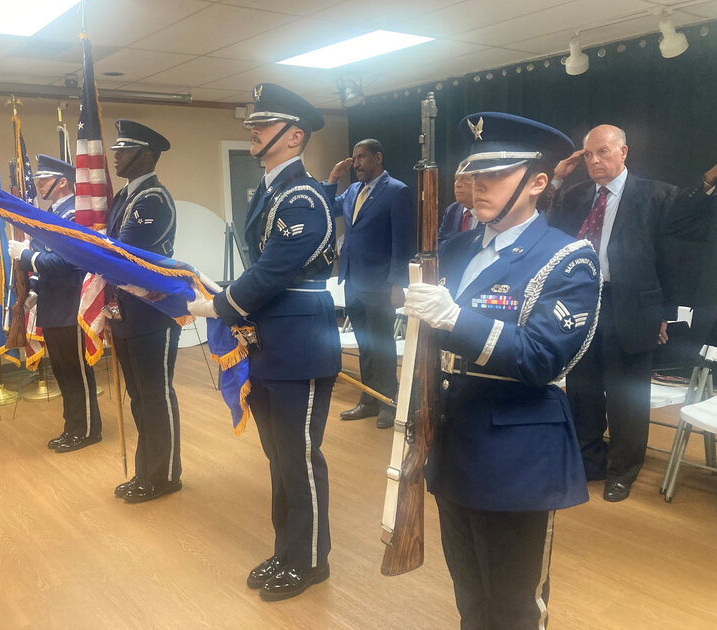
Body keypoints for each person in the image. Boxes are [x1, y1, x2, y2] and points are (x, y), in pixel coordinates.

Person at [403, 112, 600, 630]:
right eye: (473, 174)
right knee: (470, 591)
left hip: (518, 453)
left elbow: (542, 357)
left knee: (513, 602)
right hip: (453, 439)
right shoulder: (455, 248)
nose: (476, 185)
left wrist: (455, 318)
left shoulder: (567, 258)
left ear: (537, 182)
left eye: (496, 174)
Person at [188, 84, 340, 602]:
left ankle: (311, 560)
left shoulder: (304, 196)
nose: (252, 131)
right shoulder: (272, 191)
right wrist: (224, 292)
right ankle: (287, 550)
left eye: (264, 125)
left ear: (294, 136)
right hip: (272, 342)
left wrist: (221, 304)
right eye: (253, 124)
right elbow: (261, 265)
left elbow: (275, 269)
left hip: (301, 343)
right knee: (278, 456)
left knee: (299, 456)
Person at [547, 124, 715, 502]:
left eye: (603, 152)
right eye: (588, 155)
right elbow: (549, 223)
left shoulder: (654, 194)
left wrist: (709, 179)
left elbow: (690, 215)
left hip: (632, 307)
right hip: (582, 304)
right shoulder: (575, 196)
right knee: (583, 390)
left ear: (623, 152)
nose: (594, 161)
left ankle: (623, 470)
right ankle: (590, 461)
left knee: (627, 396)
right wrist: (556, 180)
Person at [106, 119, 182, 504]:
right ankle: (145, 470)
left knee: (155, 395)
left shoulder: (153, 199)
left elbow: (121, 252)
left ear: (147, 155)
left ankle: (165, 475)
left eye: (125, 148)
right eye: (117, 148)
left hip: (153, 314)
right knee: (138, 396)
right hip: (125, 312)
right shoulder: (124, 196)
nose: (115, 154)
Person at [8, 155, 102, 452]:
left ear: (62, 183)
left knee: (75, 371)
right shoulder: (54, 215)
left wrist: (25, 255)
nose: (38, 184)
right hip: (53, 304)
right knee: (63, 371)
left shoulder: (72, 215)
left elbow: (67, 263)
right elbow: (46, 259)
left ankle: (87, 429)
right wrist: (32, 286)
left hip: (71, 305)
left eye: (44, 180)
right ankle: (72, 426)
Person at [323, 139, 415, 428]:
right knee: (365, 345)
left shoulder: (397, 191)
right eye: (354, 158)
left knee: (382, 344)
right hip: (353, 280)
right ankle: (368, 398)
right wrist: (333, 179)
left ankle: (389, 401)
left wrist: (398, 284)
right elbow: (326, 209)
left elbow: (403, 242)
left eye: (362, 157)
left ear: (378, 157)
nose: (357, 163)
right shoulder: (352, 191)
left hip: (380, 284)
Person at [438, 171, 478, 246]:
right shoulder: (452, 210)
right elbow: (439, 244)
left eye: (464, 178)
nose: (457, 184)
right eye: (456, 179)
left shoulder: (492, 212)